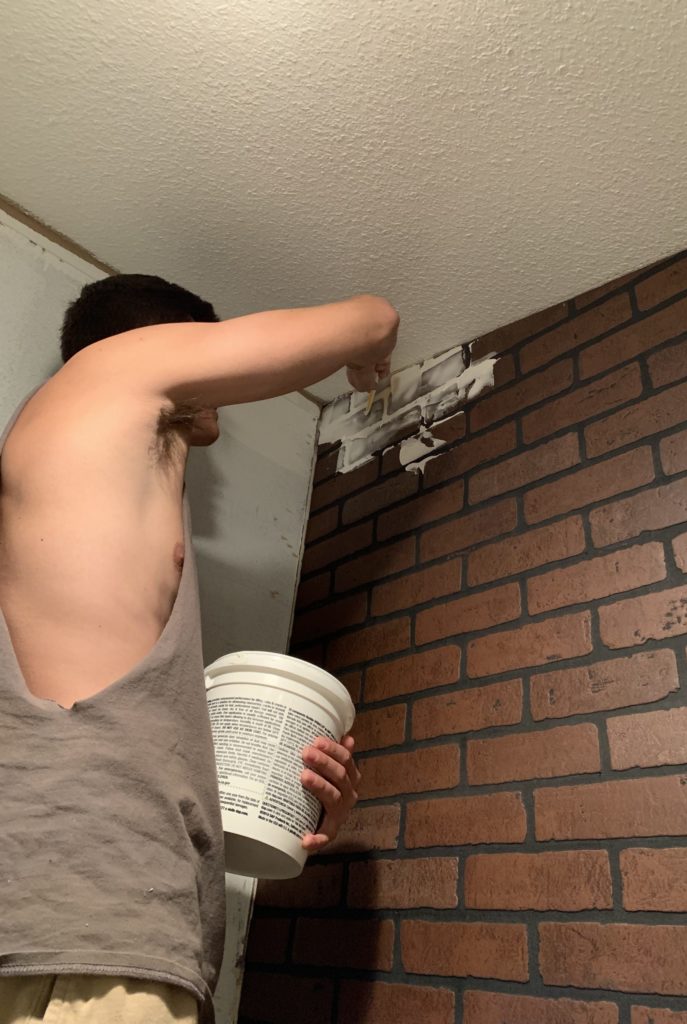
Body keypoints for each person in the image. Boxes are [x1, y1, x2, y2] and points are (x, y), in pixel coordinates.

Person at [0, 274, 399, 1024]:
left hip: (90, 926)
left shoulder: (74, 493)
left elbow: (104, 723)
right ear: (164, 341)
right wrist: (369, 369)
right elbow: (373, 319)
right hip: (81, 934)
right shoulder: (114, 368)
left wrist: (287, 795)